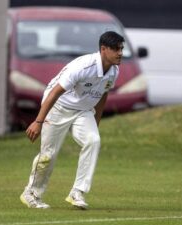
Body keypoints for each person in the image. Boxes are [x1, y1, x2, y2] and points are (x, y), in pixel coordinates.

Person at [20, 31, 125, 209]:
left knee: (93, 140)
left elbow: (102, 95)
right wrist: (38, 121)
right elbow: (55, 92)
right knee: (48, 155)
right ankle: (31, 193)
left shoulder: (114, 71)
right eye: (116, 49)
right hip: (58, 107)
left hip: (83, 111)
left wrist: (95, 123)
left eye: (122, 48)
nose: (120, 53)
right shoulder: (83, 66)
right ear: (103, 49)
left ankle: (77, 192)